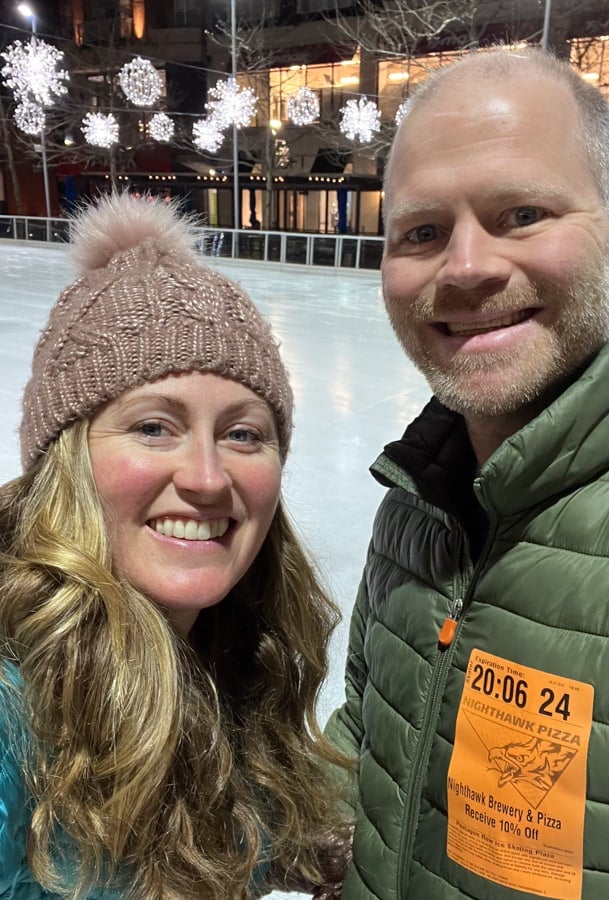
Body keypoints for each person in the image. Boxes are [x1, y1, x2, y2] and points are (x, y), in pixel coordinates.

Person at [325, 46, 609, 899]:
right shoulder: (418, 499)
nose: (467, 266)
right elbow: (369, 735)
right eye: (421, 231)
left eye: (521, 213)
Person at [0, 193, 350, 899]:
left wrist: (284, 844)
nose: (206, 478)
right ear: (65, 458)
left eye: (243, 433)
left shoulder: (241, 653)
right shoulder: (14, 716)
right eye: (153, 427)